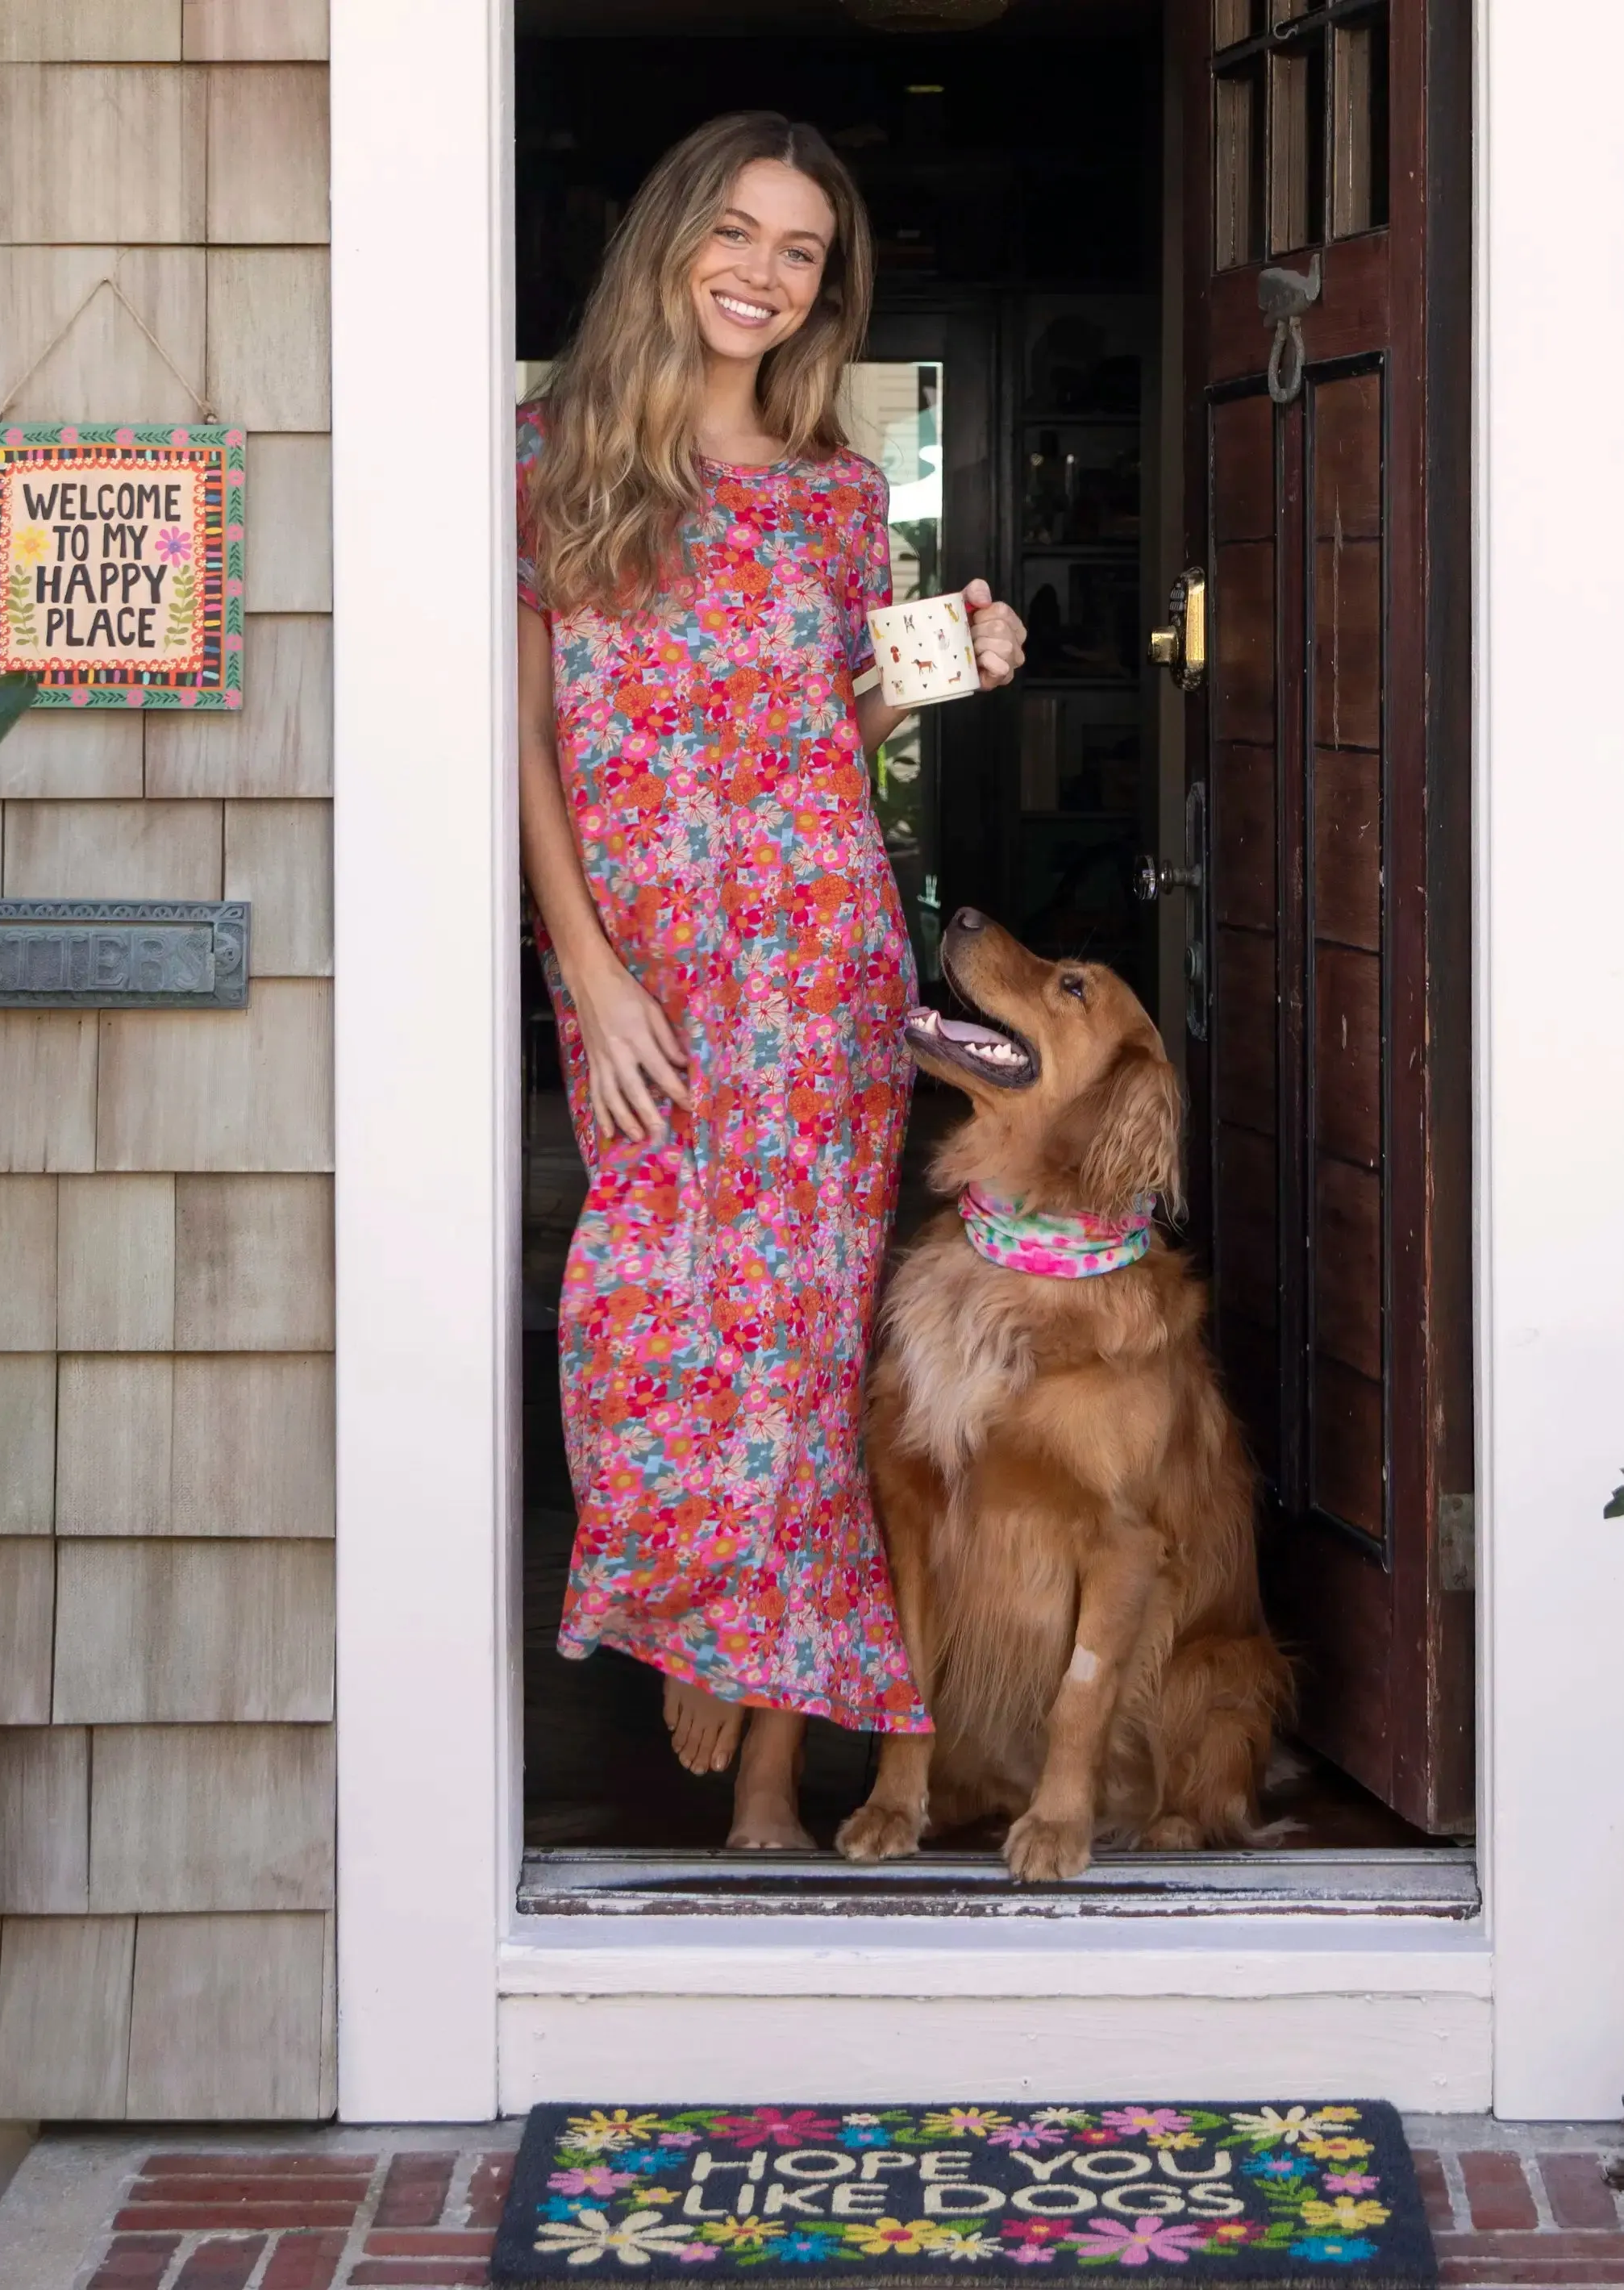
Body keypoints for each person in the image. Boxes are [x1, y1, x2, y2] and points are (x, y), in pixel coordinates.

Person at [516, 109, 1025, 1849]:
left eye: (799, 250)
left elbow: (837, 726)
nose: (761, 271)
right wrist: (590, 968)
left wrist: (946, 660)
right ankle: (688, 1617)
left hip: (821, 957)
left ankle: (765, 1779)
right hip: (651, 965)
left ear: (827, 290)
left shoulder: (835, 493)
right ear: (674, 239)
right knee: (641, 1322)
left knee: (800, 1355)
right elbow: (519, 740)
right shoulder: (550, 456)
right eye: (736, 232)